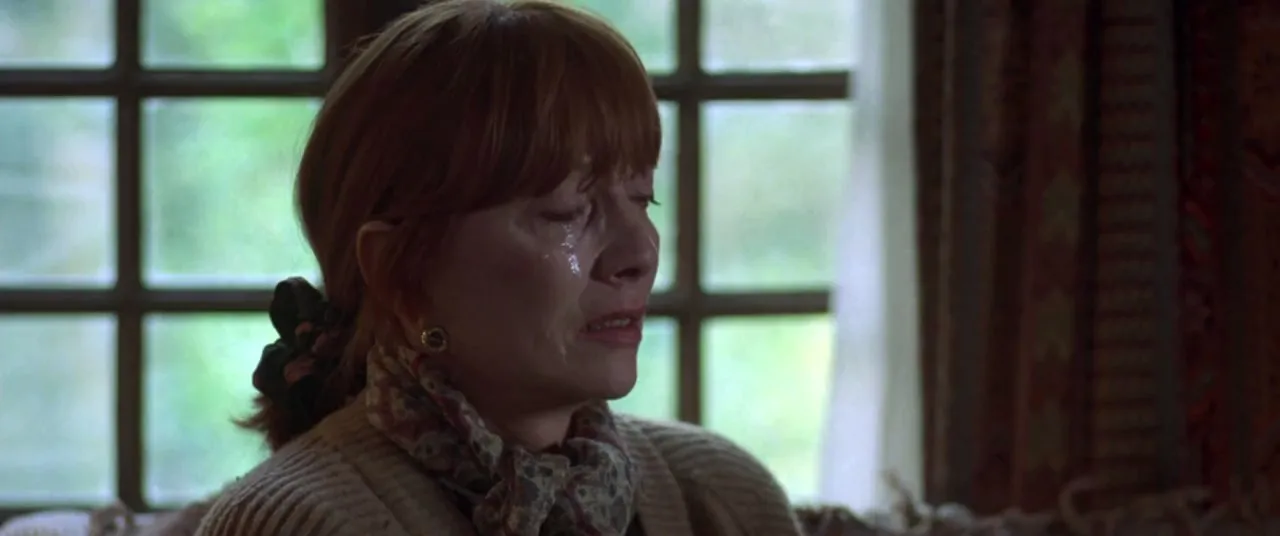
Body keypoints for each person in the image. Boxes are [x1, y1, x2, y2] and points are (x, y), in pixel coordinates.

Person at [194, 1, 802, 535]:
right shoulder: (301, 522)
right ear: (400, 273)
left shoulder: (719, 497)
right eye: (566, 211)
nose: (640, 253)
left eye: (643, 198)